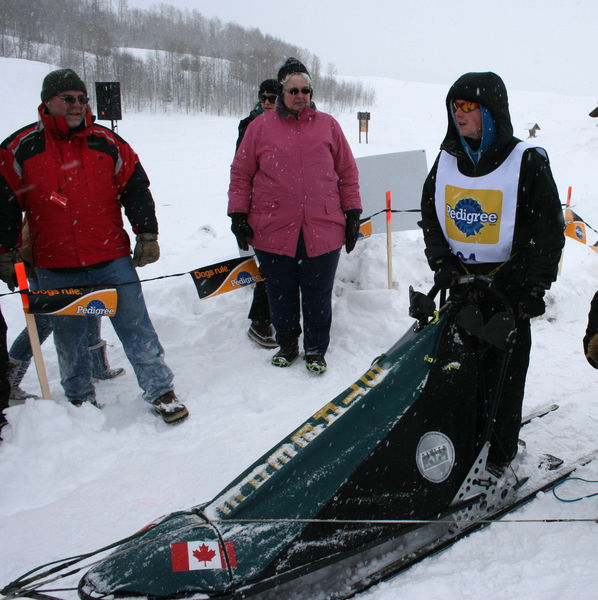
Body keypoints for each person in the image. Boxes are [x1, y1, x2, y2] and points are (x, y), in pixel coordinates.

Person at [0, 68, 188, 424]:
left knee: (136, 326)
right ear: (48, 102)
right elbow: (4, 203)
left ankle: (160, 389)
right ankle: (80, 401)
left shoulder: (107, 141)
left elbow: (135, 187)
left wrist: (147, 233)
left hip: (110, 255)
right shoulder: (21, 147)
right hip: (54, 262)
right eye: (67, 98)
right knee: (68, 337)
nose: (76, 105)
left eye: (81, 98)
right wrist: (5, 251)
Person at [419, 71, 564, 474]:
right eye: (455, 107)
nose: (459, 115)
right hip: (463, 287)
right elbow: (431, 216)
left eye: (468, 107)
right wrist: (442, 265)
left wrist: (535, 287)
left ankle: (499, 454)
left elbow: (549, 230)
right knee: (459, 374)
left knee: (504, 375)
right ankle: (461, 444)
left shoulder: (527, 161)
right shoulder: (447, 159)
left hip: (509, 291)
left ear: (491, 111)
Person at [228, 58, 362, 374]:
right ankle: (287, 346)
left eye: (305, 89)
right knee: (280, 294)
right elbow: (241, 173)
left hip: (323, 228)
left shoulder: (328, 125)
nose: (299, 95)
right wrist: (237, 213)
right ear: (281, 92)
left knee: (317, 295)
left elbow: (347, 172)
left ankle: (316, 350)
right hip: (273, 230)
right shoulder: (259, 127)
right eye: (293, 90)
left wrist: (353, 212)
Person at [234, 79, 281, 349]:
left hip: (284, 207)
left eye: (272, 97)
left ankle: (274, 315)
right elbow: (242, 171)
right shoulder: (251, 125)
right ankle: (260, 319)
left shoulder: (290, 125)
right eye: (263, 97)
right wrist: (240, 214)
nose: (267, 102)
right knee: (271, 265)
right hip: (259, 207)